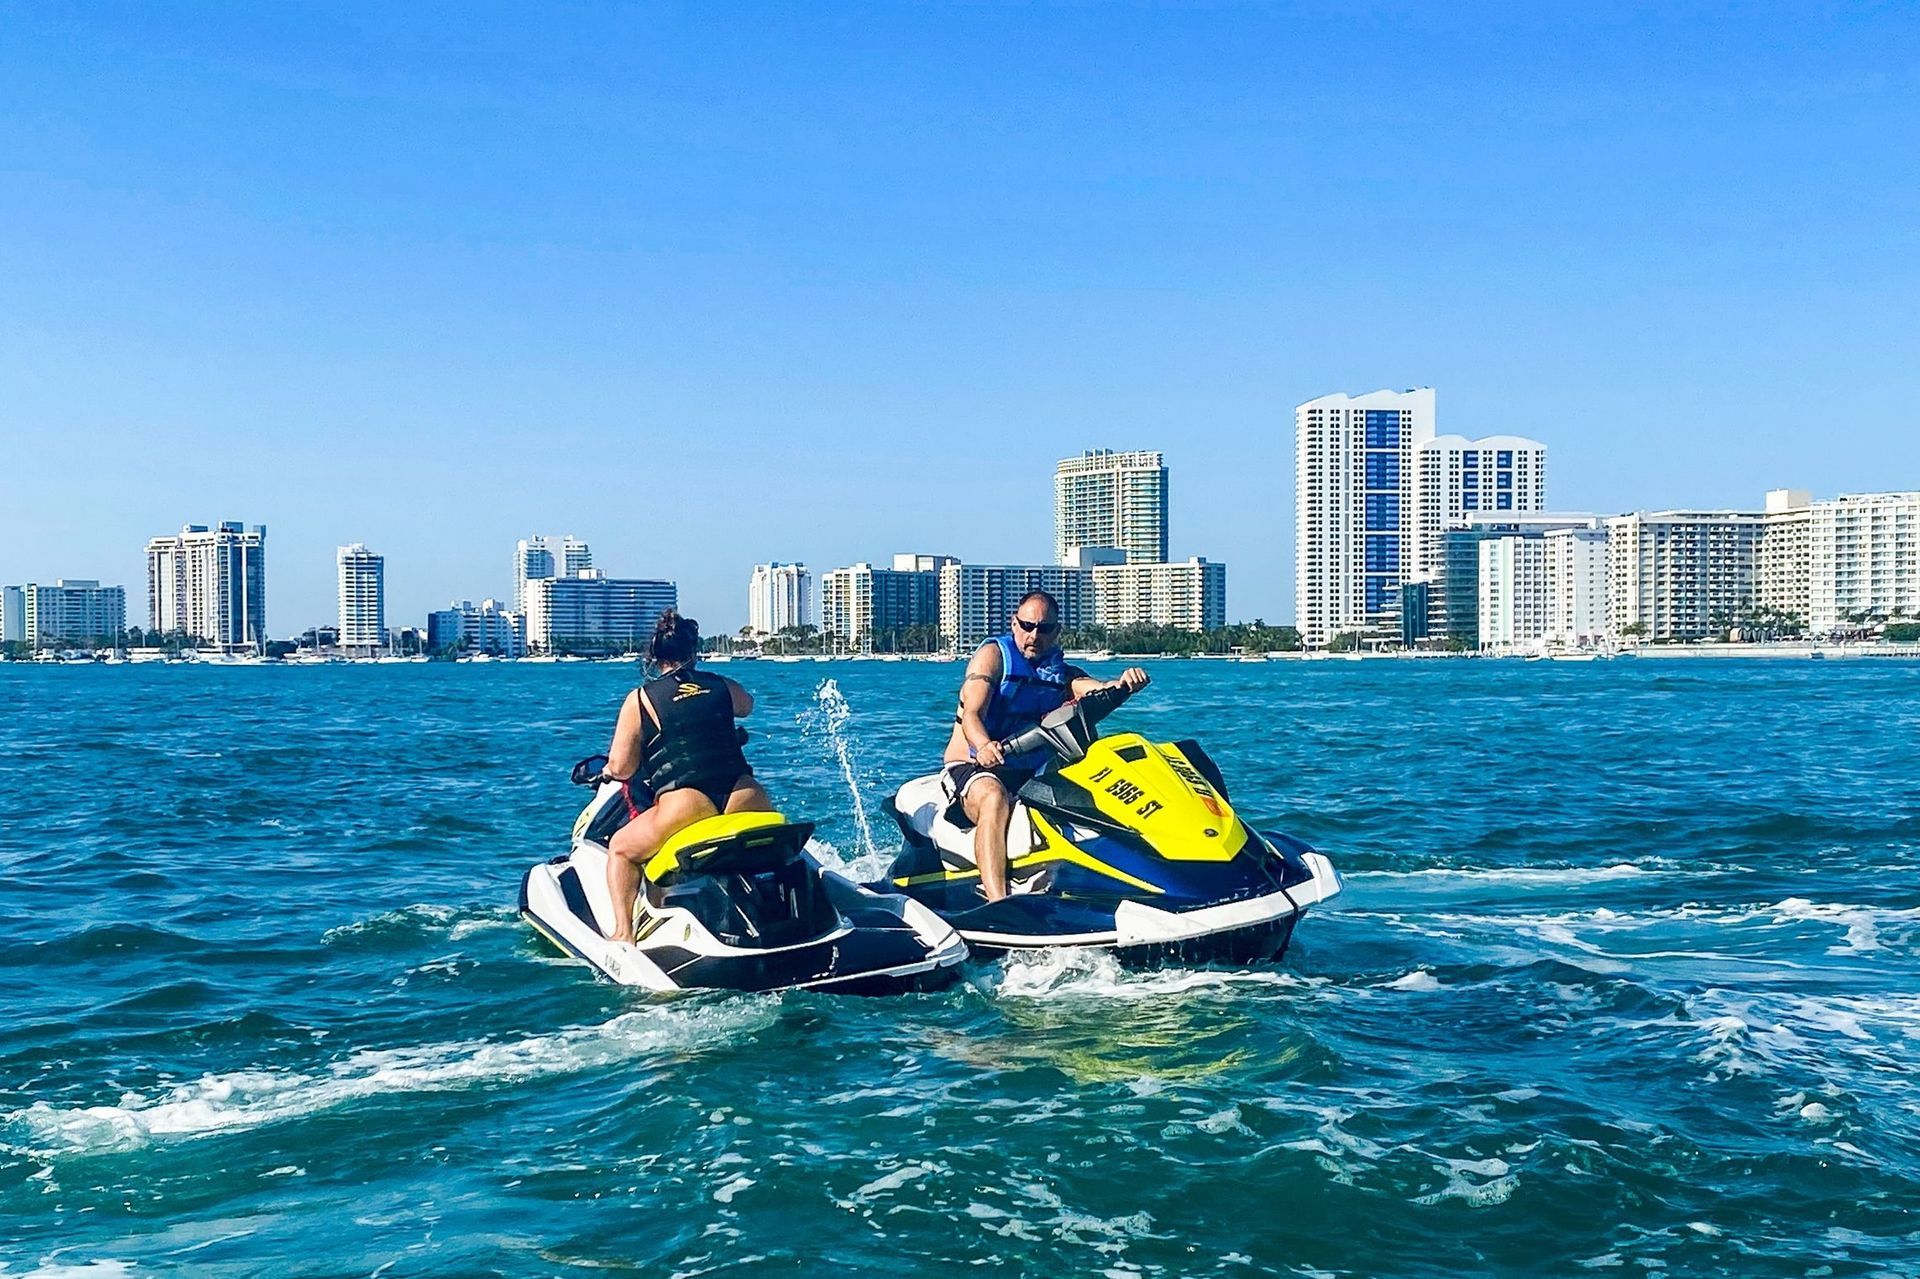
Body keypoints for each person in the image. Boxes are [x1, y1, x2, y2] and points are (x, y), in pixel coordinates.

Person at [942, 590, 1149, 902]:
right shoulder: (993, 657)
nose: (1034, 635)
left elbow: (1095, 690)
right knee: (994, 797)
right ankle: (998, 902)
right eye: (1027, 626)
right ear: (1014, 624)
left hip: (1030, 773)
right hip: (973, 765)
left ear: (1057, 631)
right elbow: (972, 713)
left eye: (1044, 629)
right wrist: (984, 746)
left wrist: (1124, 685)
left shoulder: (1060, 671)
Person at [602, 609, 773, 943]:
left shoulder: (640, 699)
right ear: (694, 650)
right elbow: (746, 706)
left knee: (621, 849)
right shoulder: (721, 685)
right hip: (745, 794)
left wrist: (608, 771)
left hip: (688, 804)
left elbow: (621, 767)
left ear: (654, 656)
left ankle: (623, 933)